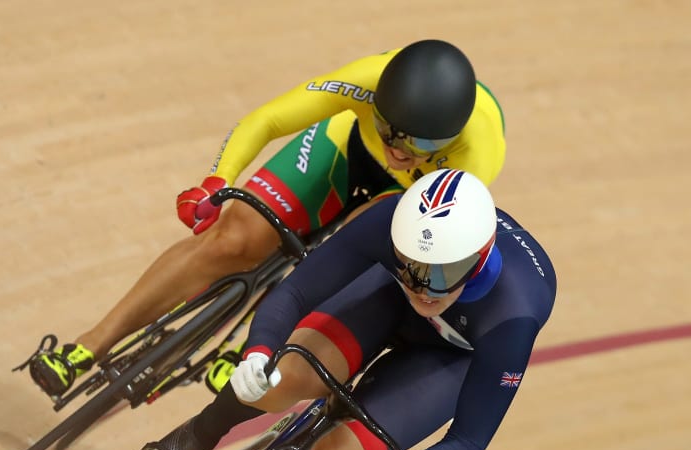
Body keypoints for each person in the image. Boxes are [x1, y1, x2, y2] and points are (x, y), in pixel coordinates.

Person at [137, 169, 556, 450]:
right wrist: (259, 351)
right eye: (410, 265)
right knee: (286, 376)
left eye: (438, 276)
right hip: (382, 299)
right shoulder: (392, 221)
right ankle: (196, 436)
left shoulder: (514, 316)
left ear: (478, 260)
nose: (422, 287)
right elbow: (296, 292)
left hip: (451, 357)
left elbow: (469, 439)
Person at [25, 39, 507, 397]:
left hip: (411, 198)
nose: (396, 148)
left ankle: (257, 339)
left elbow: (435, 240)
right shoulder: (367, 78)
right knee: (232, 240)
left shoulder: (478, 155)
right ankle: (87, 346)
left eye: (417, 145)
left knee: (342, 261)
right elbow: (268, 120)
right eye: (386, 128)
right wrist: (217, 181)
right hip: (341, 148)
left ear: (447, 140)